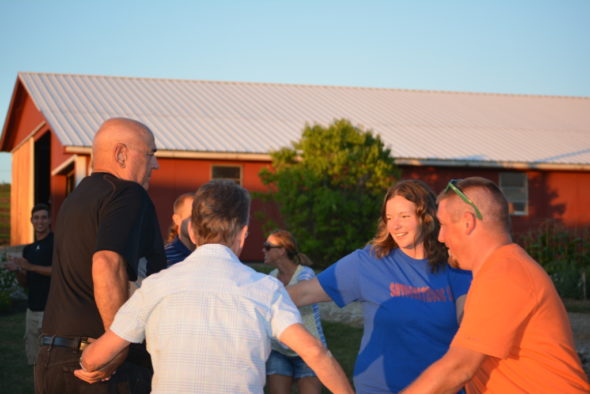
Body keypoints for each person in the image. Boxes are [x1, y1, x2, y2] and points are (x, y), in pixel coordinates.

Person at [74, 180, 354, 394]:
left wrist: (88, 364)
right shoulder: (265, 289)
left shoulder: (156, 286)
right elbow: (315, 352)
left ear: (193, 232)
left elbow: (99, 354)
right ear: (243, 235)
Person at [402, 177, 590, 393]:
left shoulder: (505, 273)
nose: (441, 237)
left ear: (467, 222)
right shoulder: (499, 270)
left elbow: (458, 368)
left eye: (443, 225)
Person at [289, 179, 472, 393]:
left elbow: (470, 329)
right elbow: (302, 294)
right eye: (389, 218)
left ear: (427, 217)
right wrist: (249, 292)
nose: (395, 225)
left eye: (404, 216)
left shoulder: (455, 266)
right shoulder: (367, 262)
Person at [35, 118, 167, 394]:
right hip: (101, 367)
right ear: (121, 153)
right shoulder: (127, 193)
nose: (155, 164)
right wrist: (115, 345)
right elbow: (107, 262)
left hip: (52, 359)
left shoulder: (76, 198)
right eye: (151, 154)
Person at [263, 230, 327, 394]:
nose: (263, 250)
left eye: (268, 247)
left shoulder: (305, 274)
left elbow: (289, 301)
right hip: (279, 350)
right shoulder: (272, 276)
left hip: (308, 348)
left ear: (281, 251)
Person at [5, 203, 53, 366]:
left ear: (50, 220)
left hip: (50, 310)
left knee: (50, 358)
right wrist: (18, 269)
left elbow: (57, 271)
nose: (40, 221)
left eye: (44, 217)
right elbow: (25, 283)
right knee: (34, 359)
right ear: (31, 221)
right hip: (31, 310)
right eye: (36, 218)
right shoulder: (29, 250)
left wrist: (29, 266)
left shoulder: (55, 243)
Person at [164, 192, 195, 266]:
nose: (199, 221)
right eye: (192, 216)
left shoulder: (214, 256)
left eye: (202, 216)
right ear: (177, 219)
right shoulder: (164, 258)